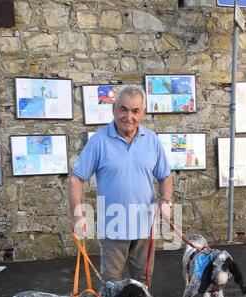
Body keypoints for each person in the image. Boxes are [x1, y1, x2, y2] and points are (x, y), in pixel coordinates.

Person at [69, 84, 173, 285]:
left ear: (143, 112)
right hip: (113, 229)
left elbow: (165, 176)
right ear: (114, 110)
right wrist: (77, 215)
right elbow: (76, 178)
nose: (129, 117)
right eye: (123, 109)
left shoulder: (152, 140)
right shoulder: (99, 141)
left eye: (135, 111)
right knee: (111, 285)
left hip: (145, 227)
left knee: (143, 283)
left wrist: (166, 200)